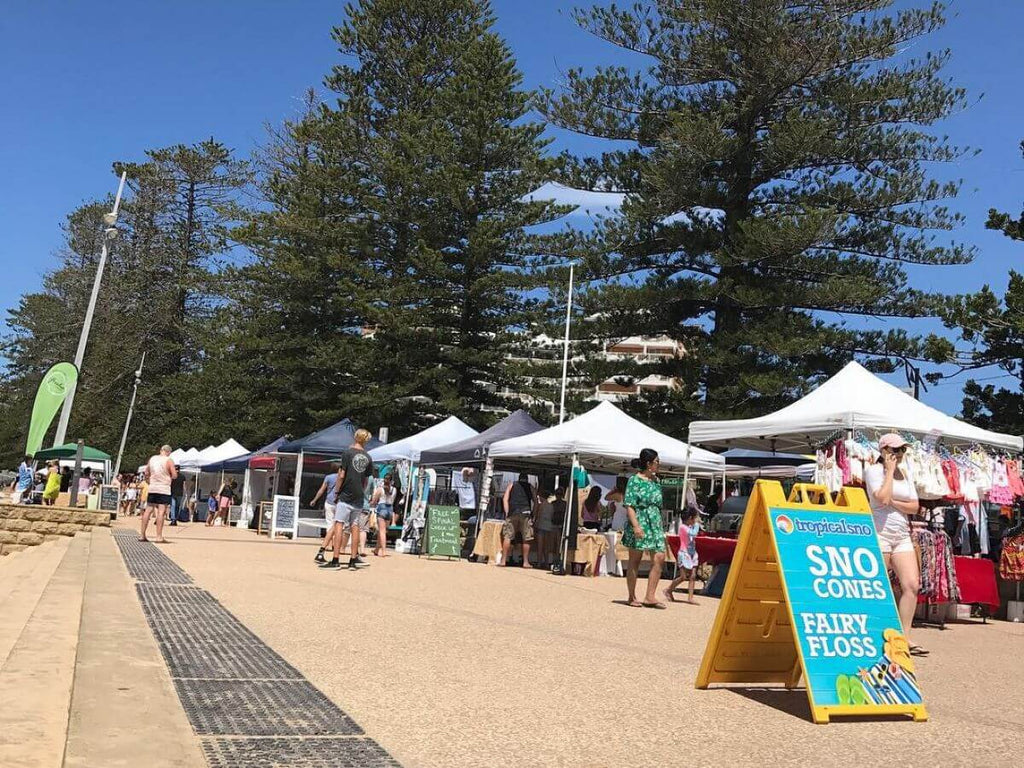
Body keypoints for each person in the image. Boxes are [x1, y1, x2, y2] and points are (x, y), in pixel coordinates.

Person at [865, 433, 926, 656]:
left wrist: (894, 502)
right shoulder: (873, 471)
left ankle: (904, 636)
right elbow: (881, 497)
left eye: (902, 450)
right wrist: (889, 472)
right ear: (883, 451)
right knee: (880, 587)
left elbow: (914, 507)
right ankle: (877, 634)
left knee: (911, 585)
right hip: (879, 533)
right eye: (894, 450)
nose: (899, 454)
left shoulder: (906, 474)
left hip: (901, 534)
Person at [320, 428, 375, 570]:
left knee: (339, 524)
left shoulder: (347, 453)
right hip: (358, 495)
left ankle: (336, 559)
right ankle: (353, 558)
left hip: (346, 493)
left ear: (355, 437)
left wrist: (337, 492)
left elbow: (342, 475)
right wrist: (361, 492)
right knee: (355, 526)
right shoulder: (368, 457)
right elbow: (366, 480)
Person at [623, 448, 667, 608]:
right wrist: (636, 526)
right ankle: (631, 596)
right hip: (640, 521)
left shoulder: (656, 481)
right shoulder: (634, 480)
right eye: (657, 462)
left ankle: (650, 596)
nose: (659, 464)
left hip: (654, 523)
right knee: (635, 560)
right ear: (649, 464)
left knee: (659, 557)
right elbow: (629, 505)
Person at [141, 445, 177, 543]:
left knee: (148, 510)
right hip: (164, 488)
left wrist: (149, 481)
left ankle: (142, 535)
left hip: (153, 487)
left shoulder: (152, 459)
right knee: (161, 512)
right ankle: (159, 536)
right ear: (168, 452)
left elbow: (146, 472)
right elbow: (174, 475)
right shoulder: (169, 460)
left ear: (161, 450)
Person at [664, 507, 700, 604]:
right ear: (690, 518)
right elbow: (693, 534)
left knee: (693, 575)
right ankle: (669, 589)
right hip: (684, 553)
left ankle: (690, 597)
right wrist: (697, 525)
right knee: (683, 576)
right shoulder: (683, 527)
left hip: (692, 554)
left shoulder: (690, 527)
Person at [501, 472, 536, 568]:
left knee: (508, 536)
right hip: (526, 513)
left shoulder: (512, 485)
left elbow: (505, 499)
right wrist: (534, 514)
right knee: (526, 538)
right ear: (527, 479)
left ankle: (503, 560)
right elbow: (536, 501)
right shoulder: (530, 487)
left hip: (513, 512)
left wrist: (507, 512)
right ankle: (525, 562)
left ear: (519, 478)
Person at [310, 467, 343, 563]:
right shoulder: (343, 478)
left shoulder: (328, 477)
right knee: (338, 524)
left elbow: (321, 490)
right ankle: (336, 545)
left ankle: (329, 544)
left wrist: (315, 500)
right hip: (339, 503)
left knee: (330, 523)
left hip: (329, 502)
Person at [370, 473, 398, 557]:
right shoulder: (394, 490)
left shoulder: (380, 489)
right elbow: (393, 499)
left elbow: (374, 501)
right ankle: (376, 549)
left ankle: (384, 551)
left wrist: (372, 503)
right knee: (383, 531)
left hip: (382, 508)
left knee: (381, 531)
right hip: (390, 509)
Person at [533, 486, 556, 567]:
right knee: (546, 546)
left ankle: (539, 562)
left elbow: (537, 516)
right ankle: (546, 562)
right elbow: (552, 516)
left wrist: (534, 523)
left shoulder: (540, 505)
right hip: (548, 526)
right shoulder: (551, 506)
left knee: (540, 545)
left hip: (540, 526)